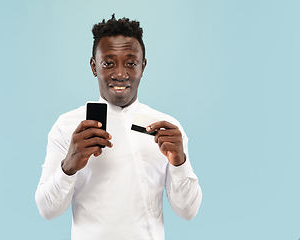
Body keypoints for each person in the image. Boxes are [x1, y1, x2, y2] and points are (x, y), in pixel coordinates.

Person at [35, 14, 202, 240]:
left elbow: (187, 211)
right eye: (108, 63)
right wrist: (68, 166)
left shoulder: (168, 130)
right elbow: (47, 210)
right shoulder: (67, 126)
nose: (121, 74)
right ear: (94, 66)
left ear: (143, 66)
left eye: (131, 63)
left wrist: (179, 163)